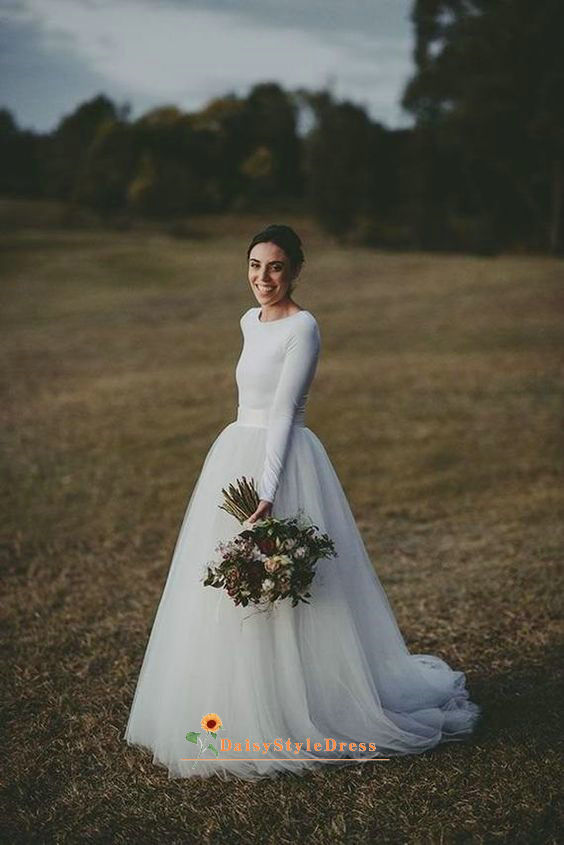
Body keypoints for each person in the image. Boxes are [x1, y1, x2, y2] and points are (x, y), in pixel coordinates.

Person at [123, 223, 481, 781]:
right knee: (228, 579)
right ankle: (234, 698)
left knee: (289, 578)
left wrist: (268, 493)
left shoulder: (304, 327)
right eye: (254, 266)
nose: (263, 279)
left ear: (295, 271)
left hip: (282, 463)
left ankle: (305, 702)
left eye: (275, 268)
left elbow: (285, 414)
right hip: (234, 451)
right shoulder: (248, 319)